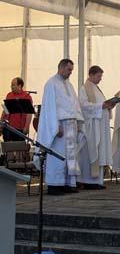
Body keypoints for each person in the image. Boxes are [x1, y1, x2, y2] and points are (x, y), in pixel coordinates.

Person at [36, 59, 84, 195]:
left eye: (72, 70)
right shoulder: (51, 83)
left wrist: (78, 122)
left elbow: (75, 104)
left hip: (71, 125)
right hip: (60, 127)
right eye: (69, 70)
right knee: (57, 155)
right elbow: (50, 107)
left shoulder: (69, 84)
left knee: (70, 156)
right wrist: (55, 126)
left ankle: (67, 183)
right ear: (61, 68)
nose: (70, 73)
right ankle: (54, 185)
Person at [78, 66, 115, 190]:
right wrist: (101, 106)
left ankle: (97, 181)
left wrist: (109, 105)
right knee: (91, 152)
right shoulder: (84, 89)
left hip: (100, 125)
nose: (100, 79)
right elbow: (83, 105)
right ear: (91, 75)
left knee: (99, 151)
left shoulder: (97, 89)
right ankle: (88, 181)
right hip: (92, 126)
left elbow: (100, 105)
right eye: (99, 76)